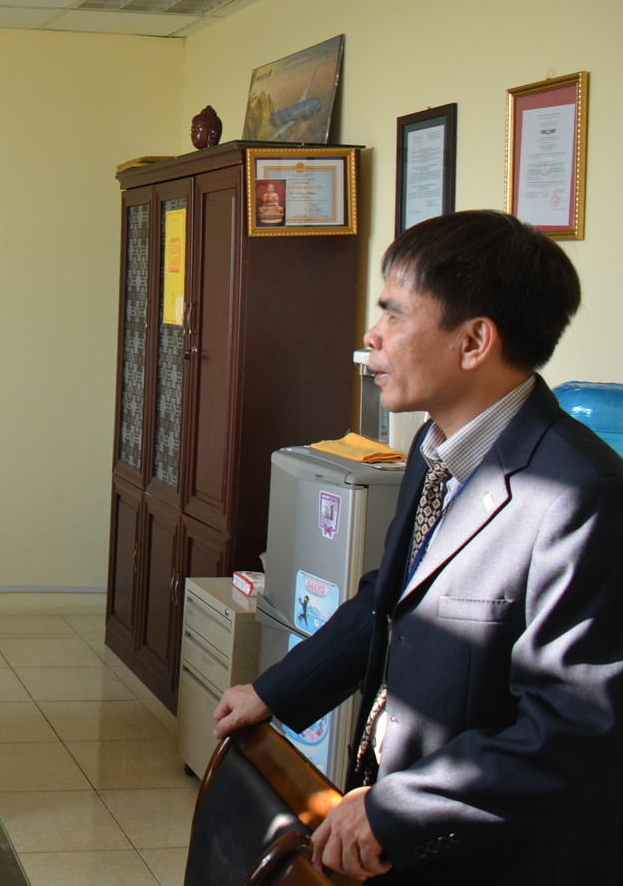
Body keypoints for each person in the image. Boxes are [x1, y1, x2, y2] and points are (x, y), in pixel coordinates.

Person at [212, 210, 623, 883]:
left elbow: (572, 727)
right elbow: (391, 598)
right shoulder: (437, 449)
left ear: (474, 341)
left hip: (495, 858)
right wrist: (276, 690)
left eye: (394, 314)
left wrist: (400, 808)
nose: (371, 335)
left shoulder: (579, 495)